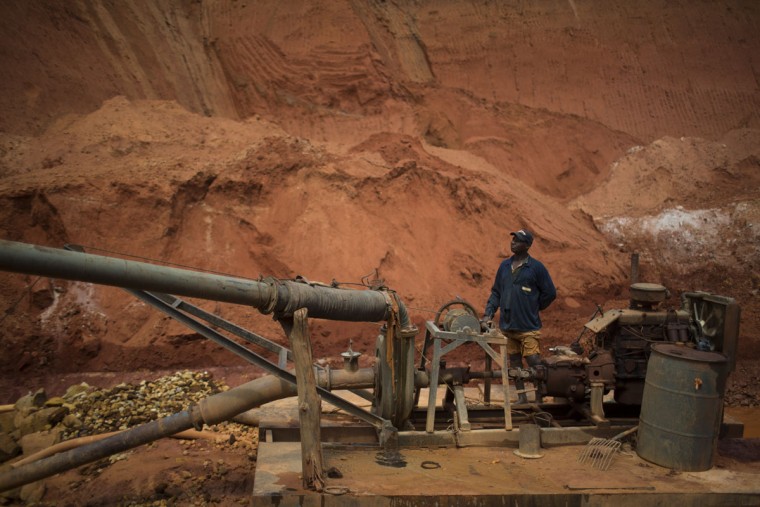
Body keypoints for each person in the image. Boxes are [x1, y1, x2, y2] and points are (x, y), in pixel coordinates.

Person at [483, 228, 556, 403]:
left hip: (528, 326)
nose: (513, 242)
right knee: (515, 363)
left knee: (533, 361)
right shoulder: (504, 266)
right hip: (508, 325)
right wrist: (488, 314)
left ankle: (539, 397)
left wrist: (534, 306)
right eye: (513, 239)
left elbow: (550, 293)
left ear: (528, 245)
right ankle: (522, 397)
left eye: (518, 240)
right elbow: (496, 293)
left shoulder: (536, 268)